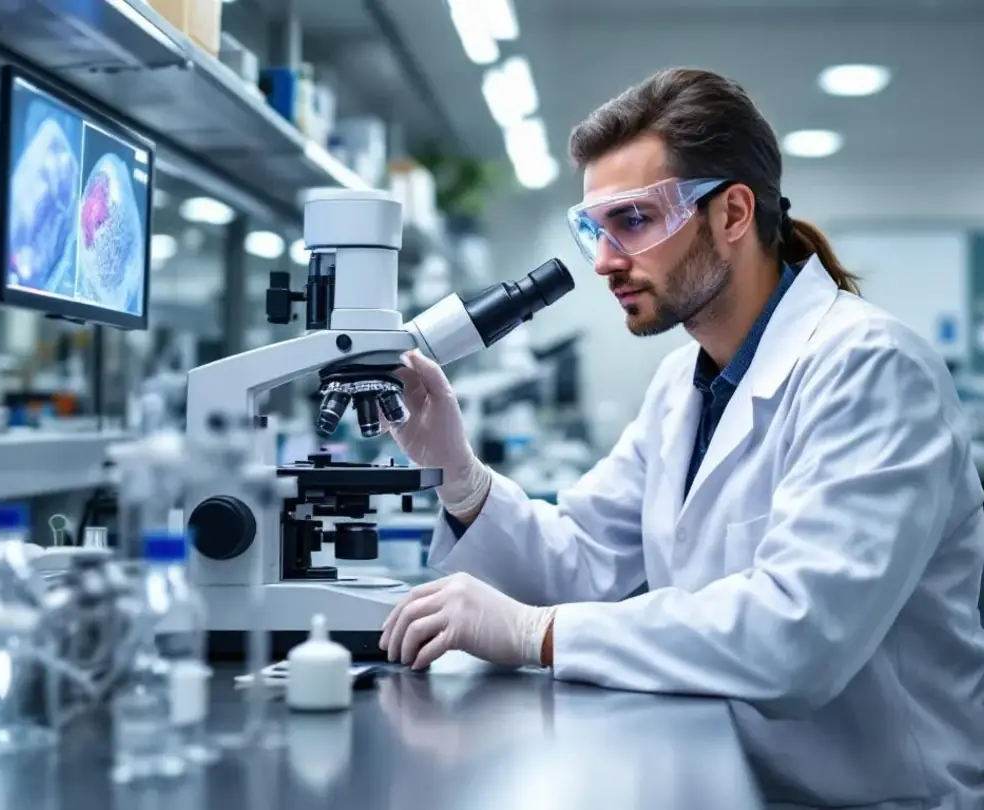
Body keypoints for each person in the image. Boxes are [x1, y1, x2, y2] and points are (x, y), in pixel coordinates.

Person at [380, 68, 984, 808]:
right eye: (594, 228)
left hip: (871, 797)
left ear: (733, 213)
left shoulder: (872, 370)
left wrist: (539, 633)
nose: (604, 259)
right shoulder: (682, 384)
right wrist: (458, 474)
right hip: (731, 773)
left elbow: (796, 636)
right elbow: (580, 560)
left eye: (633, 220)